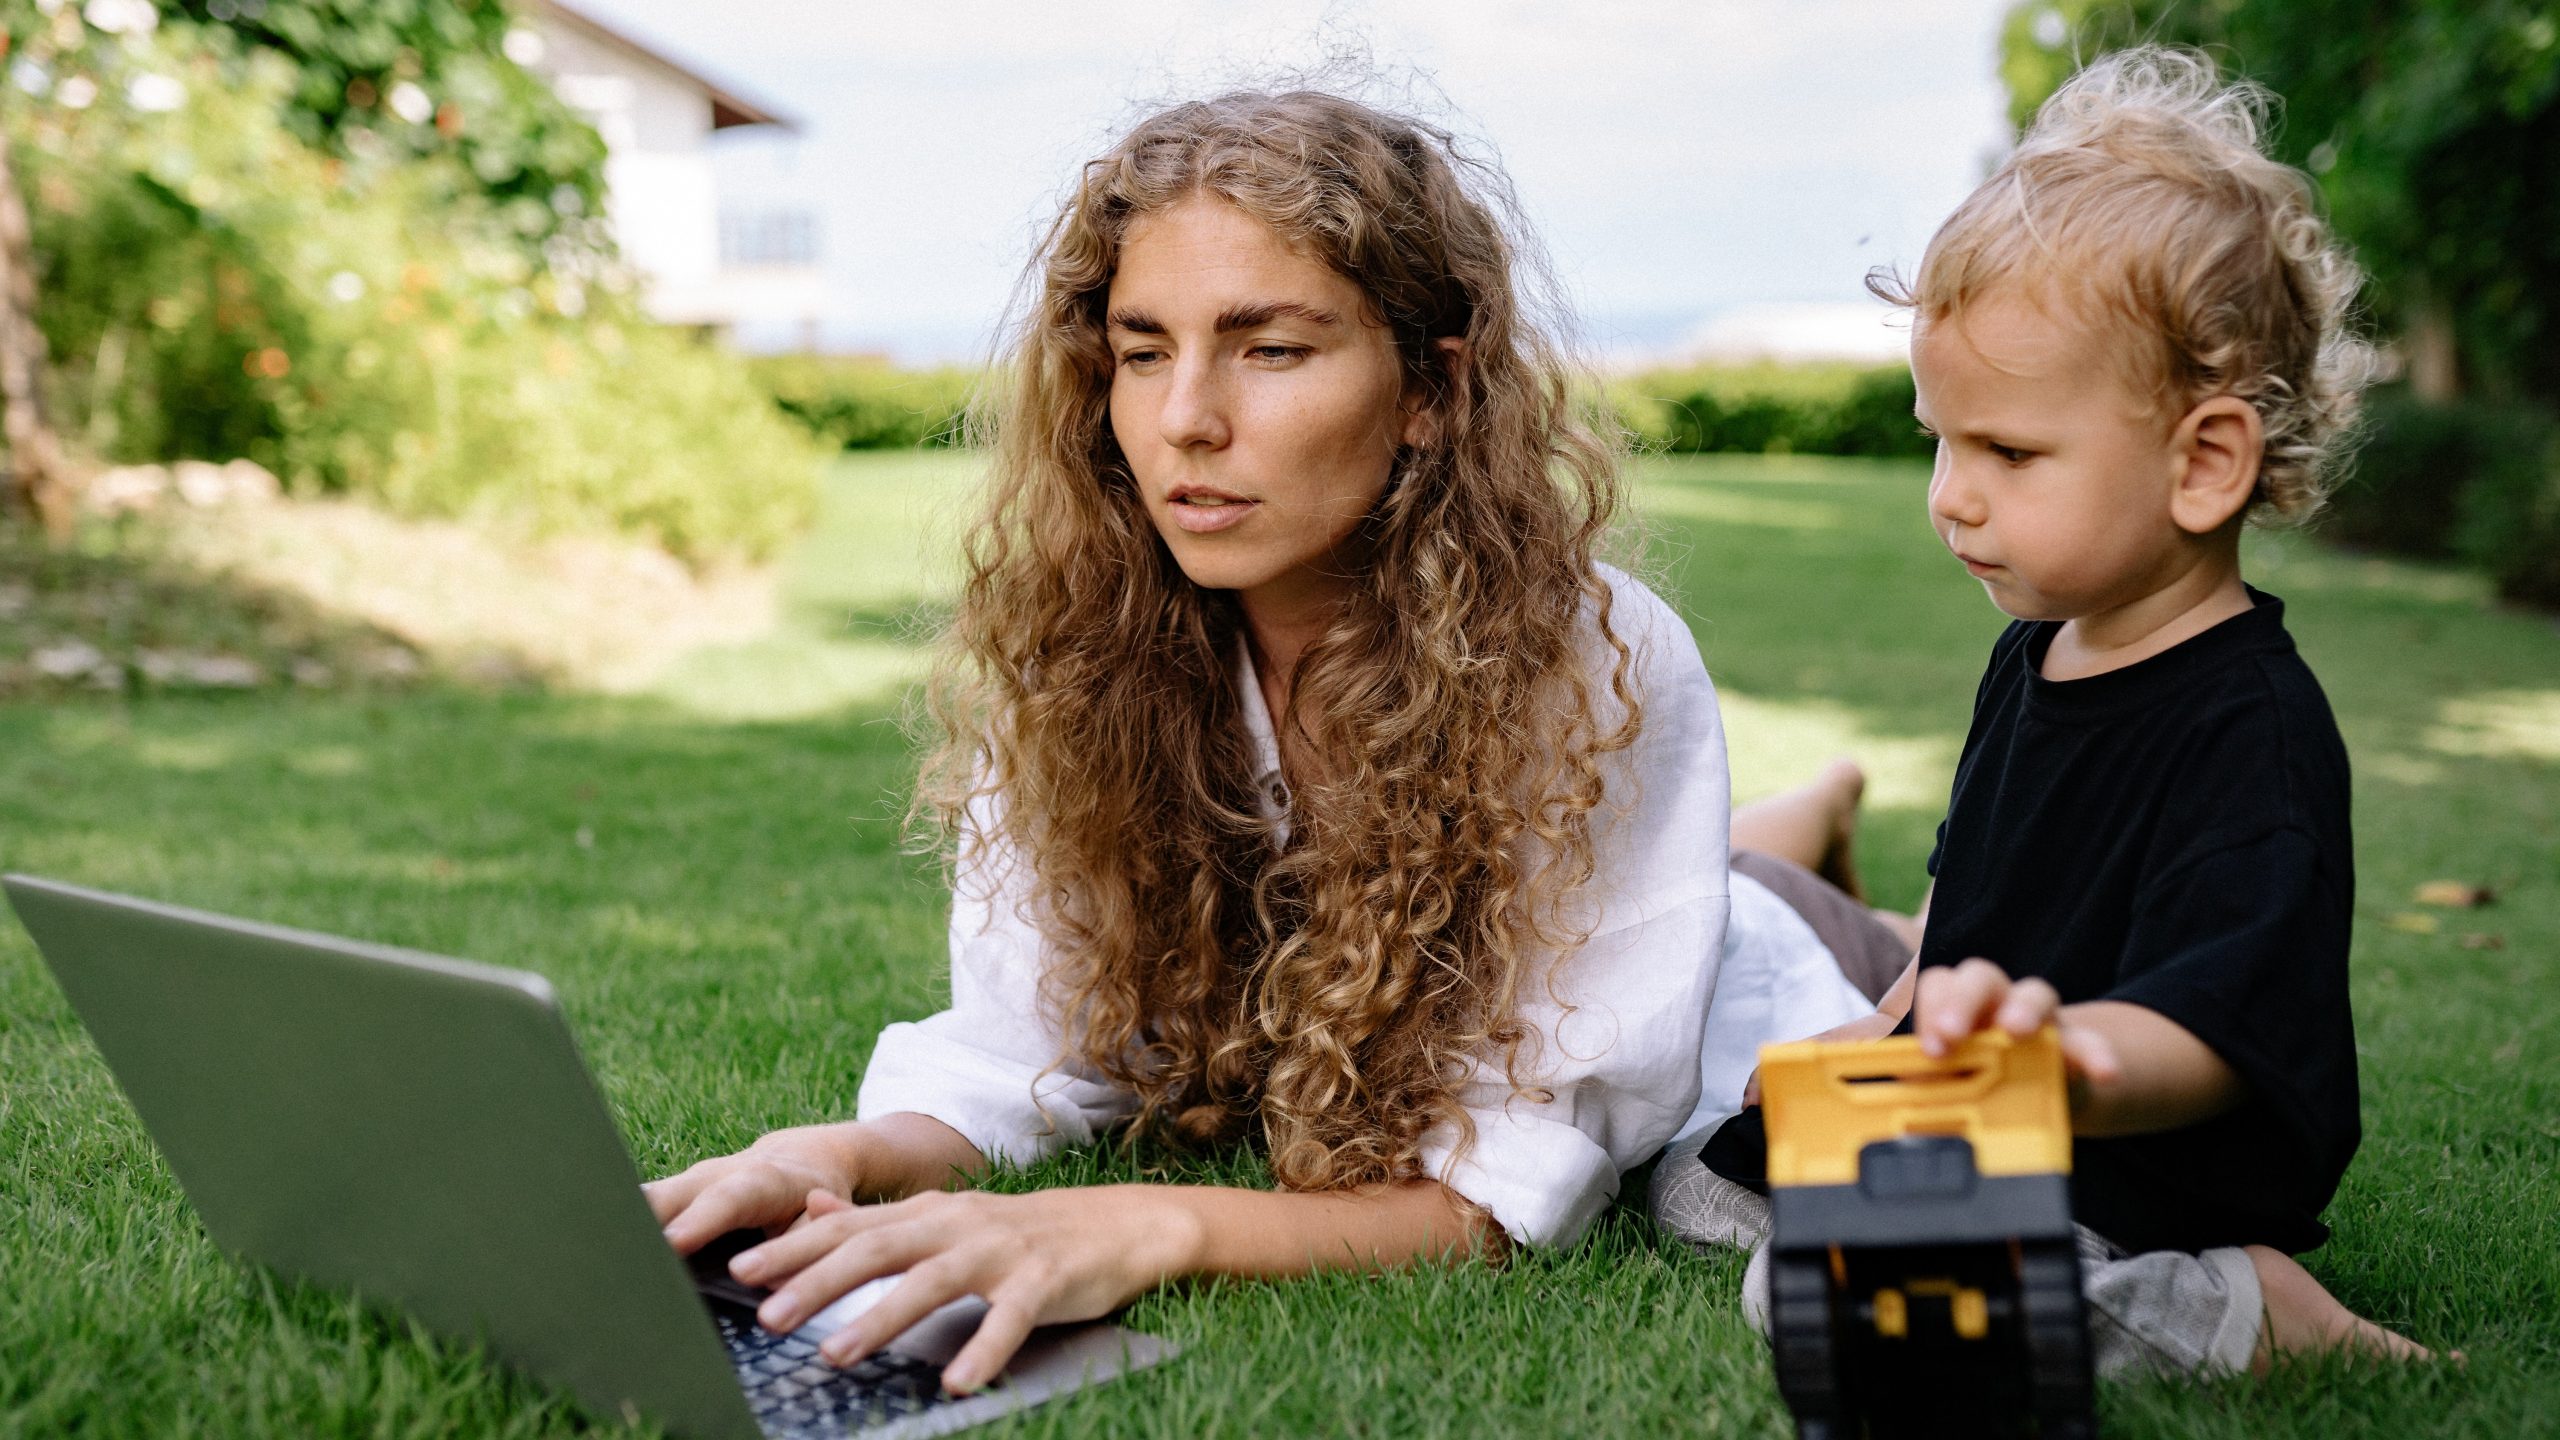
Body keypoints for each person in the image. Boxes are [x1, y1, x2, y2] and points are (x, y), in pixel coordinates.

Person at [643, 87, 1883, 1395]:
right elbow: (1026, 1047)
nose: (1185, 419)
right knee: (1743, 870)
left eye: (1271, 351)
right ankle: (1802, 821)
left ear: (1429, 389)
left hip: (1747, 979)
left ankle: (1813, 845)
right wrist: (841, 1152)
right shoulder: (1086, 645)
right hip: (1650, 889)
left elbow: (1508, 1191)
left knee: (1796, 925)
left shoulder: (1588, 667)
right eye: (1139, 351)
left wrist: (1153, 1222)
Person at [1653, 48, 2444, 1376]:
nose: (1952, 498)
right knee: (1695, 1185)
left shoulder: (2248, 729)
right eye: (1940, 440)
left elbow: (2212, 1032)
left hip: (2131, 1161)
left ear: (2203, 463)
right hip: (1982, 1118)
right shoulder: (2036, 653)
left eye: (2008, 454)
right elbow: (1980, 905)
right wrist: (1885, 1030)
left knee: (1813, 1283)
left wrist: (2055, 1064)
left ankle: (2250, 1307)